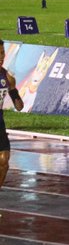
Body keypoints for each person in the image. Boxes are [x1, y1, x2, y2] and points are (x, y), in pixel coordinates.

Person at [0, 39, 24, 190]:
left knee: (4, 161)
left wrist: (16, 97)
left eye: (2, 53)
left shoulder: (7, 77)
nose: (1, 56)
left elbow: (19, 105)